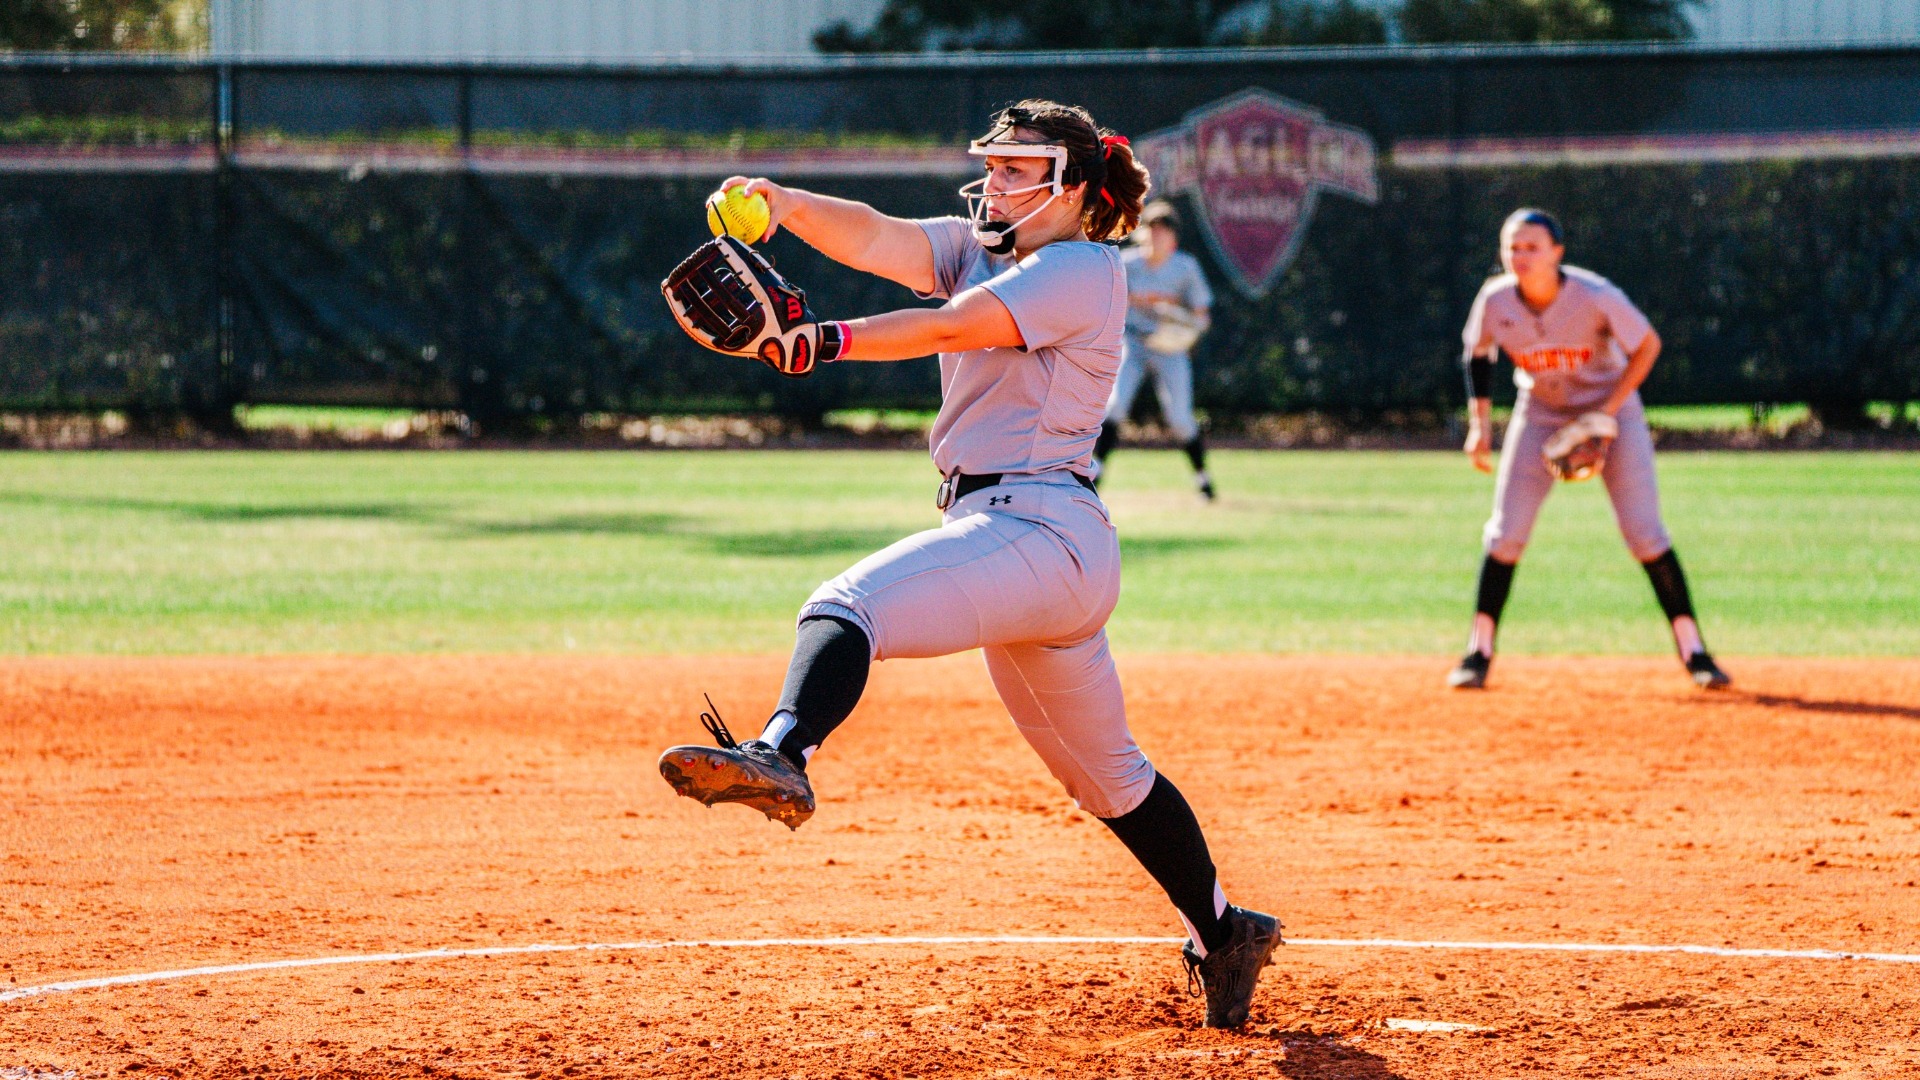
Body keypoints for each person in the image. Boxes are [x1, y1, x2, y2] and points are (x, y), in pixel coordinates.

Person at [656, 99, 1283, 1029]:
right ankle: (1225, 929)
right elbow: (877, 238)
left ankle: (780, 751)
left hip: (1040, 528)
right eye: (991, 165)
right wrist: (782, 202)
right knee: (1107, 779)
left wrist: (822, 340)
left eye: (1017, 168)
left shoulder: (1082, 268)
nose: (995, 181)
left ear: (1070, 186)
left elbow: (955, 327)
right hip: (1025, 541)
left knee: (846, 602)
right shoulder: (984, 245)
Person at [1449, 208, 1732, 691]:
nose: (1520, 256)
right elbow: (1478, 354)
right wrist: (1480, 426)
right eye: (1512, 248)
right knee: (1505, 534)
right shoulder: (1495, 300)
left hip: (1612, 413)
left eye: (1532, 247)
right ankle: (1478, 651)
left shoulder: (1595, 295)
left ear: (1557, 253)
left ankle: (1695, 651)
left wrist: (1607, 411)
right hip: (1540, 414)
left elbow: (1647, 345)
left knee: (1645, 535)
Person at [1092, 199, 1217, 499]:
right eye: (1153, 228)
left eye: (1164, 230)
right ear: (1142, 232)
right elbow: (1101, 302)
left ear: (1173, 237)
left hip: (1169, 347)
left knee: (1180, 419)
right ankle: (1095, 478)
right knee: (1115, 406)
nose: (1158, 235)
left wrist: (1184, 327)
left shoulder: (1185, 267)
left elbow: (1202, 315)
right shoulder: (1125, 263)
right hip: (1132, 342)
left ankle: (1203, 478)